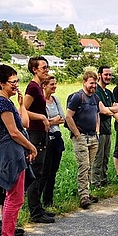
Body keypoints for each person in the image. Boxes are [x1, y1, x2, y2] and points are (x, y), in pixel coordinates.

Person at [0, 65, 37, 236]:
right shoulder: (1, 103)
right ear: (1, 83)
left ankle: (10, 234)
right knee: (14, 197)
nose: (16, 85)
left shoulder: (7, 102)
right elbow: (14, 132)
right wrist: (31, 146)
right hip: (10, 151)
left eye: (17, 81)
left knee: (16, 197)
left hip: (13, 150)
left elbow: (22, 125)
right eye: (12, 82)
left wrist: (21, 104)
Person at [23, 56, 55, 224]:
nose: (46, 70)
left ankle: (38, 207)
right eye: (43, 67)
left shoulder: (38, 87)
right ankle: (35, 212)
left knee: (40, 172)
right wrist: (42, 117)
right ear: (34, 69)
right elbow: (22, 110)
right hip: (34, 134)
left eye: (47, 67)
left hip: (41, 133)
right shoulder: (33, 87)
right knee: (35, 173)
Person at [65, 71, 101, 209]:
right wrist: (77, 134)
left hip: (93, 136)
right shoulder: (77, 97)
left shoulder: (95, 98)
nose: (93, 85)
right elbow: (68, 116)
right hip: (81, 137)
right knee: (84, 166)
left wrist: (97, 130)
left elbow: (97, 114)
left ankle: (87, 191)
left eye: (95, 83)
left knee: (90, 166)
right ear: (84, 82)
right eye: (91, 83)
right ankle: (83, 196)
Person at [92, 65, 118, 188]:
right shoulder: (96, 91)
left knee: (106, 157)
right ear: (99, 75)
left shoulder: (109, 92)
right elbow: (103, 111)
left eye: (110, 75)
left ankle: (103, 179)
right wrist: (110, 110)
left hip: (108, 129)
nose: (108, 77)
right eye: (106, 75)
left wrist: (109, 110)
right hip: (98, 129)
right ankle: (95, 182)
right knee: (98, 157)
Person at [41, 75, 66, 208]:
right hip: (46, 139)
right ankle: (38, 200)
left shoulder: (55, 100)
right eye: (52, 84)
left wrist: (50, 121)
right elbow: (42, 123)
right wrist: (53, 121)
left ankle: (48, 200)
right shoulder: (41, 101)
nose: (54, 86)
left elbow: (62, 118)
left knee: (53, 172)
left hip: (56, 138)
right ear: (44, 85)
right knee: (44, 172)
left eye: (55, 84)